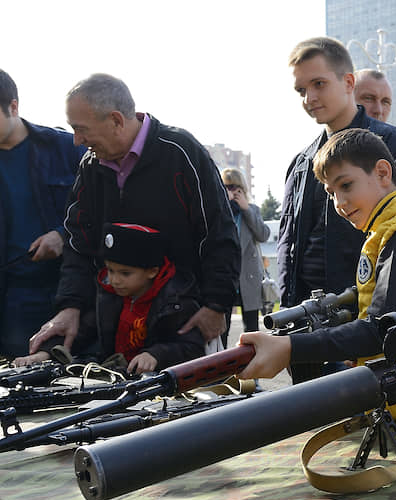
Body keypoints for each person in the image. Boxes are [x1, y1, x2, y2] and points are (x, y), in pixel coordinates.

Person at [241, 128, 396, 429]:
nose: (339, 202)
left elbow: (381, 329)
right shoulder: (393, 229)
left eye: (346, 185)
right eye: (331, 193)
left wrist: (291, 347)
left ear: (383, 173)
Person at [28, 73, 240, 357]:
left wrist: (216, 305)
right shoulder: (90, 166)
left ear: (116, 120)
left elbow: (218, 234)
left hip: (182, 325)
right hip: (115, 329)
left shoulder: (181, 153)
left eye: (81, 129)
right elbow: (79, 244)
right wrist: (71, 306)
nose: (77, 140)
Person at [277, 39, 396, 381]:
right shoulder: (301, 161)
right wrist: (288, 316)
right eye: (301, 89)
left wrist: (366, 334)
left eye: (318, 84)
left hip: (358, 330)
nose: (309, 98)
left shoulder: (389, 143)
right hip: (305, 327)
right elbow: (288, 245)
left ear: (348, 83)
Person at [15, 223, 205, 374]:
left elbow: (192, 348)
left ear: (152, 271)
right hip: (116, 377)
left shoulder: (176, 302)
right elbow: (81, 332)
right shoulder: (110, 297)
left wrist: (156, 355)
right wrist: (45, 353)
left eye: (125, 273)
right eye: (110, 270)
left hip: (159, 385)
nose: (114, 280)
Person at [0, 69, 86, 359]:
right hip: (7, 297)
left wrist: (63, 236)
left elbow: (102, 211)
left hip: (59, 295)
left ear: (13, 107)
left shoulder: (66, 149)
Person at [220, 167, 271, 347]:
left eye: (236, 187)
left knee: (251, 329)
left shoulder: (252, 210)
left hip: (248, 277)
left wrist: (246, 209)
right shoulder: (218, 210)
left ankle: (251, 370)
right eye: (227, 186)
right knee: (221, 329)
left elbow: (263, 234)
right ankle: (221, 371)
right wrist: (224, 204)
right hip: (225, 277)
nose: (232, 191)